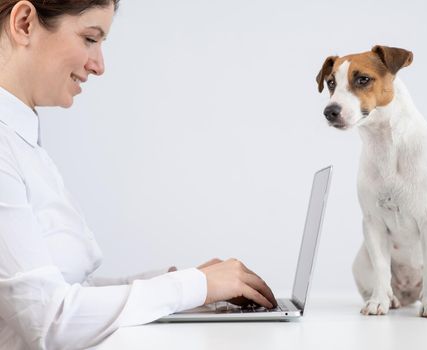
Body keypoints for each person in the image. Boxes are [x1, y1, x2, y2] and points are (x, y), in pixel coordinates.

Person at [0, 1, 277, 349]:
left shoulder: (22, 142)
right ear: (24, 23)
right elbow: (49, 321)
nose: (98, 65)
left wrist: (184, 285)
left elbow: (63, 295)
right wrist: (192, 287)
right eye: (89, 38)